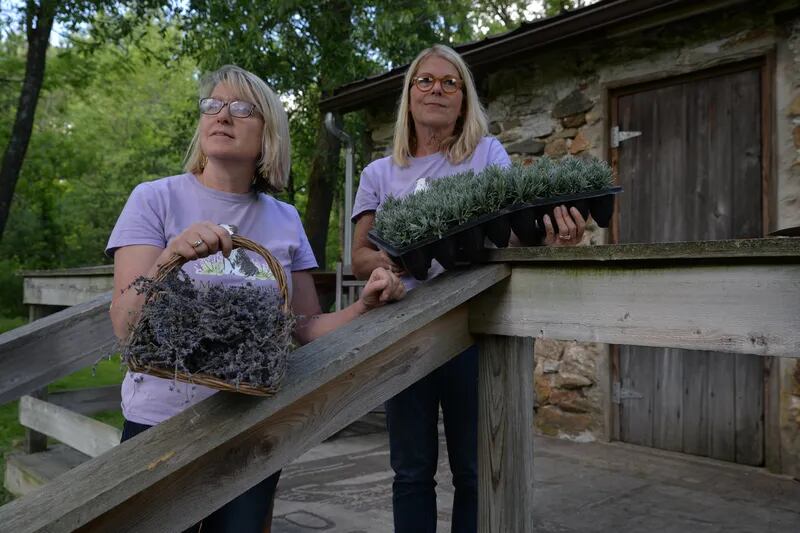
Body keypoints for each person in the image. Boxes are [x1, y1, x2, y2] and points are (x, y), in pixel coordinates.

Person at [107, 65, 405, 533]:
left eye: (242, 108)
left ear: (269, 133)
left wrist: (363, 305)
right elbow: (125, 325)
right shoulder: (154, 199)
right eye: (213, 105)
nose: (223, 115)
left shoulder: (285, 220)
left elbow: (305, 328)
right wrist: (170, 255)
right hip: (160, 427)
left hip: (250, 426)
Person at [351, 45, 585, 533]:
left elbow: (512, 232)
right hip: (404, 329)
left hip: (473, 329)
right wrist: (383, 268)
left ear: (463, 99)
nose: (437, 89)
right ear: (409, 95)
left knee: (475, 471)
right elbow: (360, 253)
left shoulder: (486, 154)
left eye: (450, 83)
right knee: (411, 472)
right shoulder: (379, 172)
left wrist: (549, 232)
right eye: (426, 81)